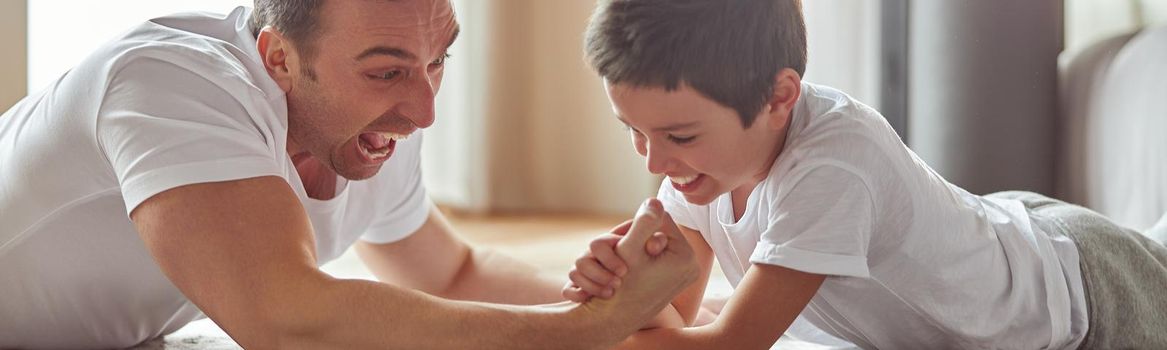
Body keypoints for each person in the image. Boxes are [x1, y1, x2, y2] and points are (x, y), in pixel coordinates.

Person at [0, 0, 698, 348]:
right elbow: (283, 319)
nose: (423, 110)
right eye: (388, 71)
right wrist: (590, 327)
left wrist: (651, 318)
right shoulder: (170, 81)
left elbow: (449, 274)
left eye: (438, 62)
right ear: (276, 59)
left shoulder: (362, 124)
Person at [565, 0, 1167, 348]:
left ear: (779, 97)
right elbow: (679, 318)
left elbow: (726, 345)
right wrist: (629, 290)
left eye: (679, 136)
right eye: (633, 130)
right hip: (1001, 232)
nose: (654, 163)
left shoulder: (832, 166)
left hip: (1076, 287)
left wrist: (623, 307)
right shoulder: (701, 172)